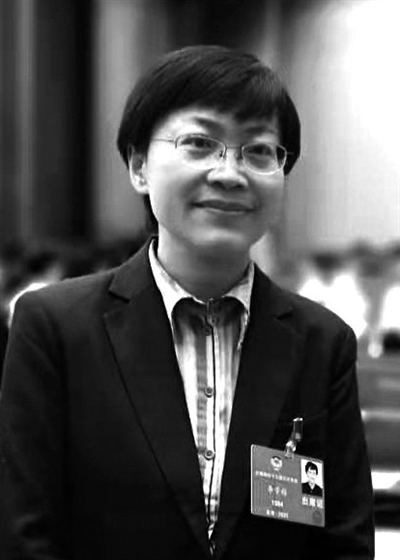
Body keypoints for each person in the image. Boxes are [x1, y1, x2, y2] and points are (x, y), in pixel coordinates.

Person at [0, 45, 374, 559]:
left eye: (259, 150)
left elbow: (343, 542)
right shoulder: (55, 328)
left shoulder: (322, 342)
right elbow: (25, 537)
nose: (229, 172)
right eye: (199, 143)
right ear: (139, 166)